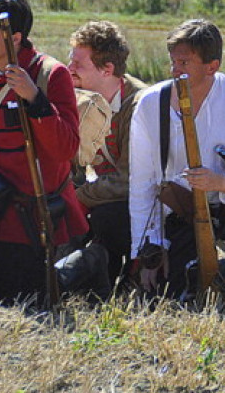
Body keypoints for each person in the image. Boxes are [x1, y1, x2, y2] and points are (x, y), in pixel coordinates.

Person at [129, 19, 225, 301]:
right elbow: (142, 183)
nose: (175, 70)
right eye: (173, 61)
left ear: (212, 66)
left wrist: (219, 181)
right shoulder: (149, 103)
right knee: (175, 293)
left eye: (184, 63)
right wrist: (146, 253)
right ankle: (211, 272)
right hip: (181, 212)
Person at [0, 0, 87, 303]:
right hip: (1, 212)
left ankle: (86, 266)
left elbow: (65, 148)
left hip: (43, 211)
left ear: (16, 37)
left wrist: (35, 99)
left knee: (31, 297)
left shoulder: (51, 74)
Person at [68, 20, 147, 286]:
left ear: (107, 69)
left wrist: (81, 198)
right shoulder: (79, 98)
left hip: (145, 206)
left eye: (78, 65)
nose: (70, 70)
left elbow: (129, 180)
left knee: (106, 217)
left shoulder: (140, 106)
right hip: (104, 195)